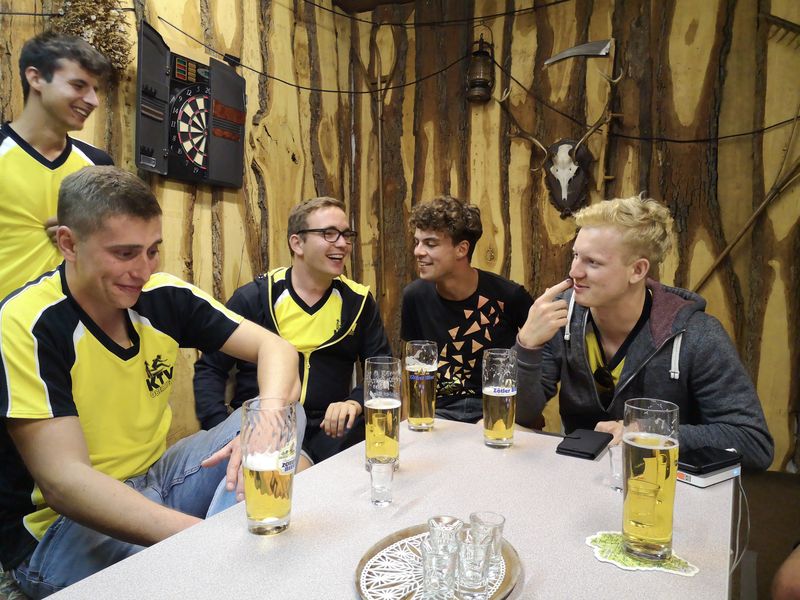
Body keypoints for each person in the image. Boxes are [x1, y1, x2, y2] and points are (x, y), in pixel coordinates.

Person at [0, 166, 302, 598]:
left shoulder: (162, 294)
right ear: (69, 243)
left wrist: (264, 424)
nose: (142, 271)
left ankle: (237, 553)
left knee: (286, 415)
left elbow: (278, 350)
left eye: (153, 251)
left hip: (157, 480)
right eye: (125, 253)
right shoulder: (28, 322)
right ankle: (233, 552)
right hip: (62, 528)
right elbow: (65, 483)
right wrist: (204, 540)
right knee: (194, 576)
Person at [514, 195, 773, 469]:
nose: (574, 272)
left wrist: (650, 433)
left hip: (664, 485)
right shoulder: (560, 316)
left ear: (637, 270)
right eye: (576, 255)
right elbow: (519, 415)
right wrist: (527, 345)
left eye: (593, 262)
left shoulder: (698, 336)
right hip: (578, 476)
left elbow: (754, 443)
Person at [194, 197, 391, 469]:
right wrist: (221, 430)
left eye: (346, 235)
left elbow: (383, 371)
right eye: (329, 233)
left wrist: (354, 403)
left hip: (330, 432)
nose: (343, 244)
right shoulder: (256, 298)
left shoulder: (359, 302)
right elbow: (211, 369)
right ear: (297, 243)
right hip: (264, 429)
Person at [400, 195, 537, 424]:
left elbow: (542, 360)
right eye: (417, 242)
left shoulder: (510, 296)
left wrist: (524, 417)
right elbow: (411, 370)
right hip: (438, 415)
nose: (418, 251)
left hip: (496, 411)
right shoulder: (414, 297)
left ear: (461, 249)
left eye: (430, 244)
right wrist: (408, 425)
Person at [0, 31, 114, 301]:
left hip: (72, 322)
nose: (93, 101)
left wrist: (86, 234)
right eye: (78, 85)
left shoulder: (98, 166)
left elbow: (115, 249)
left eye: (95, 90)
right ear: (36, 78)